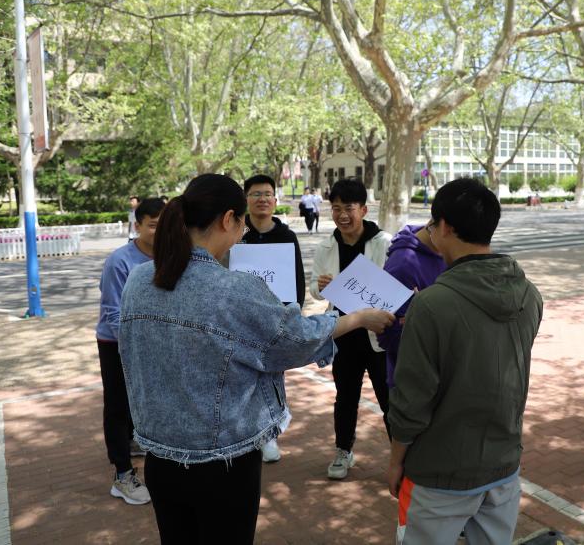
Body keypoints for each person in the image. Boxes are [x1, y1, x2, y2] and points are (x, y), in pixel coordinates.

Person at [119, 174, 393, 544]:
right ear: (227, 219)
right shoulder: (234, 288)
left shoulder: (139, 279)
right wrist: (358, 318)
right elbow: (295, 338)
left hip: (160, 455)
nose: (244, 231)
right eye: (242, 221)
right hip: (224, 459)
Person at [387, 178, 543, 544]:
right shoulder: (529, 294)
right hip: (503, 462)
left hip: (439, 471)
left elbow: (412, 400)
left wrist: (395, 460)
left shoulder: (431, 304)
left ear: (444, 226)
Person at [309, 178, 393, 480]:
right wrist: (320, 287)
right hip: (344, 333)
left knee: (389, 399)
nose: (342, 215)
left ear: (364, 210)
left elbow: (394, 285)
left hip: (379, 335)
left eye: (349, 208)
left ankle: (402, 457)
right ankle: (343, 451)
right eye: (336, 208)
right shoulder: (326, 245)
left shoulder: (383, 243)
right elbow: (315, 289)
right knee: (345, 397)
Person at [96, 197, 165, 505]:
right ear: (138, 226)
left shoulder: (170, 256)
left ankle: (134, 442)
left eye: (165, 225)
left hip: (153, 341)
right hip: (116, 343)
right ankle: (122, 474)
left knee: (145, 399)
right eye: (153, 225)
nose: (159, 231)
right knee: (118, 404)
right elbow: (113, 313)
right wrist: (136, 347)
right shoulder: (119, 261)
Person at [240, 173, 306, 463]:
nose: (262, 199)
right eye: (256, 194)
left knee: (273, 376)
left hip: (275, 318)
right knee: (242, 375)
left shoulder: (287, 236)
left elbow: (297, 280)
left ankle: (270, 435)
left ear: (275, 200)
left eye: (267, 194)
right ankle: (246, 432)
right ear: (246, 200)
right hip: (242, 317)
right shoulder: (237, 235)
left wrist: (294, 313)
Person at [377, 222, 446, 388]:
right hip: (416, 384)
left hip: (445, 378)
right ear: (444, 227)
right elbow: (388, 334)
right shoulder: (403, 265)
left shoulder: (447, 251)